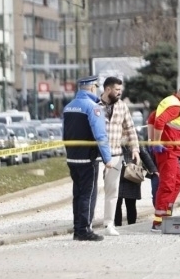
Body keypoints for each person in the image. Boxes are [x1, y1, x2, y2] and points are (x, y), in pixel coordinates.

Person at [62, 75, 119, 241]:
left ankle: (77, 229)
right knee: (88, 194)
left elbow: (65, 133)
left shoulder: (68, 107)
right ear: (93, 87)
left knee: (78, 194)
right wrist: (107, 158)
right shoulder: (93, 108)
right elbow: (100, 135)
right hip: (88, 158)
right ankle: (84, 230)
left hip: (72, 158)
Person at [150, 83, 180, 231]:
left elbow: (151, 118)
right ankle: (159, 221)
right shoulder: (176, 106)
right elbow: (159, 121)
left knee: (178, 181)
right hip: (168, 151)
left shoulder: (169, 101)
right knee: (168, 184)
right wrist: (156, 142)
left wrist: (153, 140)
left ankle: (166, 214)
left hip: (171, 151)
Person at [100, 76, 140, 236]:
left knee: (113, 190)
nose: (119, 92)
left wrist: (135, 148)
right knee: (92, 190)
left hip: (116, 154)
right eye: (117, 90)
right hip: (96, 155)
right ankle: (86, 223)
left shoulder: (122, 106)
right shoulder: (95, 105)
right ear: (108, 89)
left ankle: (109, 224)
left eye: (120, 90)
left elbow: (130, 128)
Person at [115, 138, 158, 227]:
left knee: (129, 203)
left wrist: (153, 169)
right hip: (121, 172)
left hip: (131, 173)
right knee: (117, 202)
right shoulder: (116, 135)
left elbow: (144, 154)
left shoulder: (134, 137)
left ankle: (130, 226)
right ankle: (117, 225)